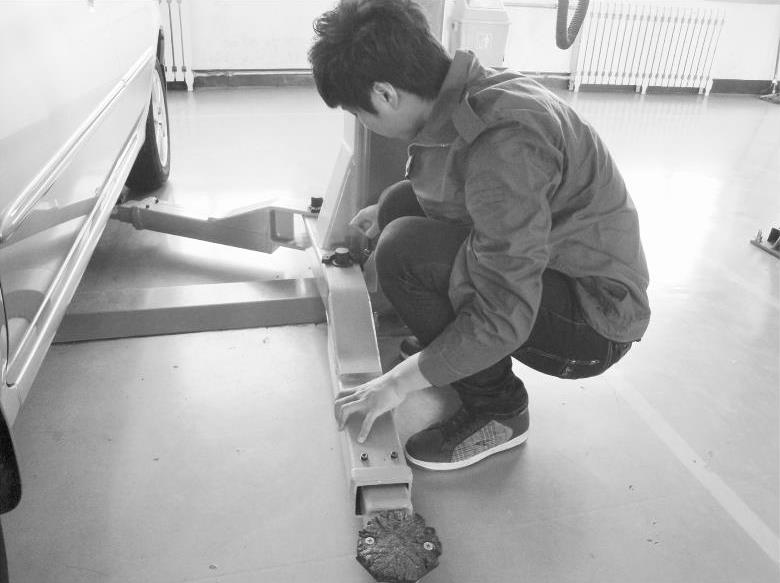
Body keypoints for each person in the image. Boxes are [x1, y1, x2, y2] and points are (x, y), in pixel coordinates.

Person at [307, 0, 650, 471]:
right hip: (559, 262)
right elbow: (459, 180)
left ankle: (499, 409)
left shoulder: (506, 143)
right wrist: (383, 211)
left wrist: (397, 384)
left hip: (593, 319)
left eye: (357, 111)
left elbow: (507, 310)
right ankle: (454, 353)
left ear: (385, 94)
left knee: (403, 251)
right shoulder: (469, 89)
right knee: (397, 207)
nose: (363, 123)